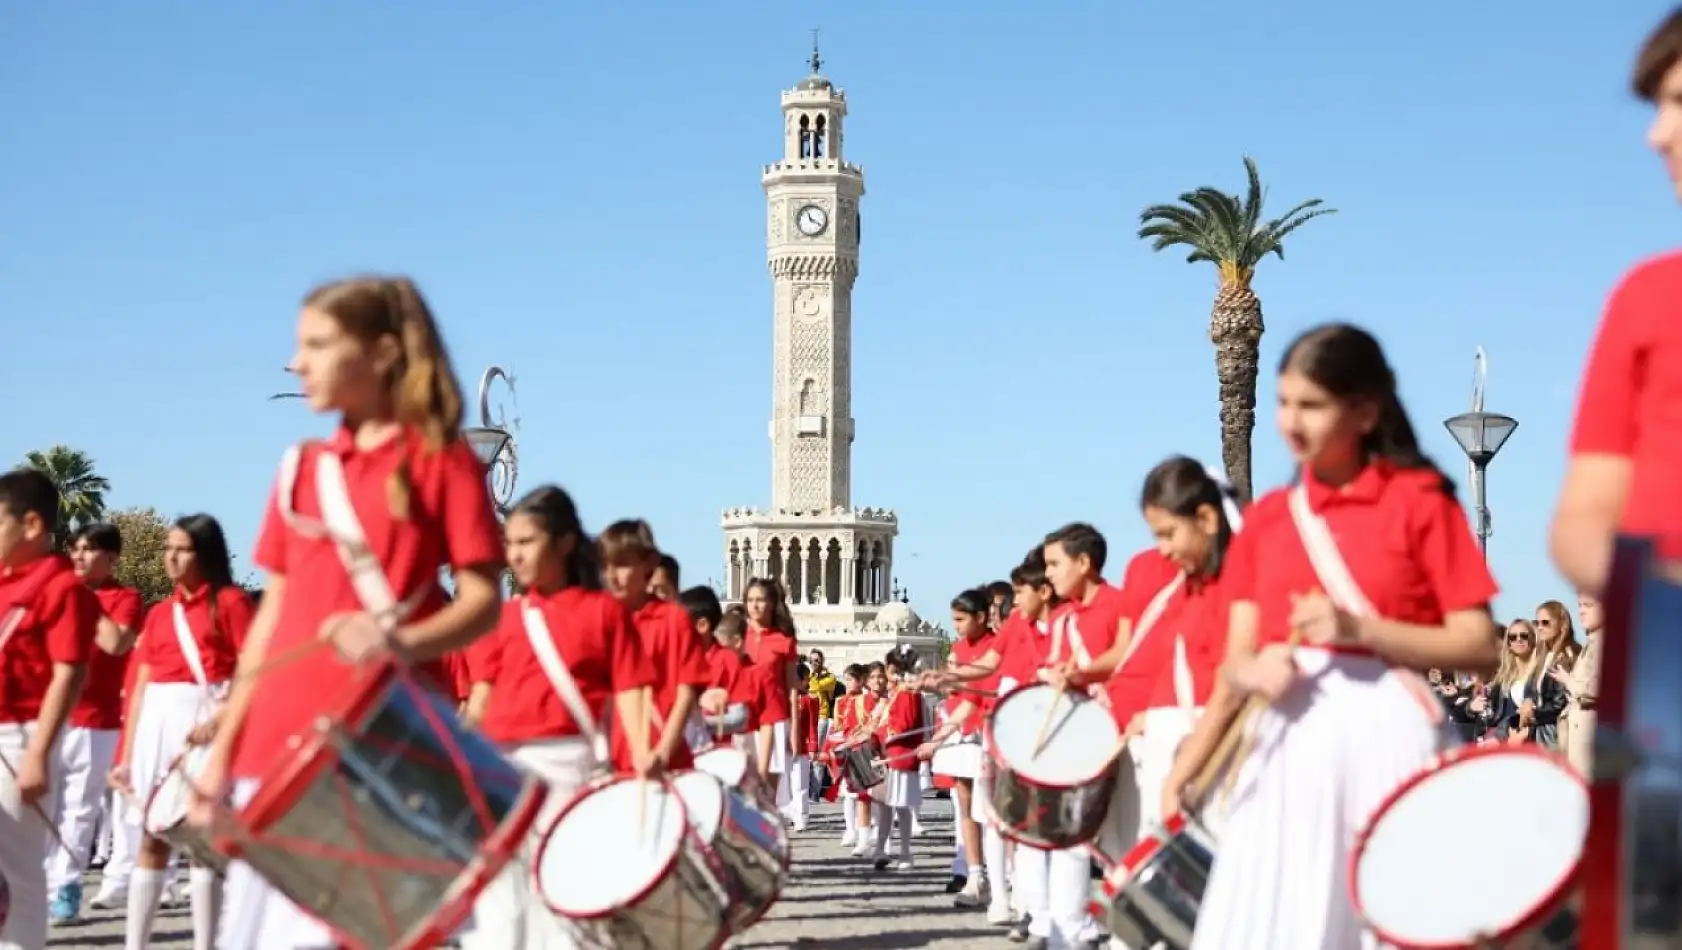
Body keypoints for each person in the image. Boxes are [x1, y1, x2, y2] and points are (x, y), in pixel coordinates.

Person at [190, 275, 508, 950]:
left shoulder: (442, 461)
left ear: (384, 353)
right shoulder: (300, 468)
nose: (296, 362)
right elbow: (272, 620)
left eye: (317, 344)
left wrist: (397, 635)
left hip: (379, 747)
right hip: (277, 748)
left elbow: (483, 602)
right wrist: (222, 755)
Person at [1162, 323, 1500, 950]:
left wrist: (1358, 630)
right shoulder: (1266, 521)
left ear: (1366, 411)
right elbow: (1236, 658)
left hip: (1390, 744)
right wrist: (1252, 674)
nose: (1291, 422)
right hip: (1290, 751)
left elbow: (1479, 644)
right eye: (1285, 402)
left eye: (1311, 405)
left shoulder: (1420, 501)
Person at [460, 486, 655, 950]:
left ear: (565, 543)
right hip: (498, 773)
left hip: (568, 769)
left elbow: (631, 696)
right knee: (498, 915)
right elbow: (480, 701)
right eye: (510, 544)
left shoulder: (603, 613)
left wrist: (644, 765)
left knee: (562, 908)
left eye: (527, 542)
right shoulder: (501, 618)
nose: (515, 555)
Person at [1551, 7, 1682, 592]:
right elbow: (1581, 520)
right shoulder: (1646, 296)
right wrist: (1658, 592)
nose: (1657, 135)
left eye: (1680, 102)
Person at [110, 514, 252, 950]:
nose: (171, 556)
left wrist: (218, 721)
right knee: (151, 838)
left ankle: (205, 944)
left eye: (182, 548)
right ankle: (136, 943)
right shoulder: (159, 614)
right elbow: (140, 687)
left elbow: (253, 671)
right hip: (158, 724)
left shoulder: (231, 604)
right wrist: (126, 755)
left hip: (206, 724)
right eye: (168, 547)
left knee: (200, 842)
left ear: (204, 554)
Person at [0, 468, 99, 950]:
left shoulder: (62, 587)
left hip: (20, 736)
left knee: (18, 871)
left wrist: (38, 752)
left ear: (32, 525)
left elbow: (70, 672)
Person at [47, 522, 142, 922]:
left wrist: (85, 599)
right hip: (51, 713)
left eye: (89, 549)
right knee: (42, 805)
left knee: (80, 808)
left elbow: (115, 642)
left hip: (96, 719)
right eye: (76, 548)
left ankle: (65, 883)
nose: (79, 556)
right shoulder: (58, 591)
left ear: (112, 558)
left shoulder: (126, 598)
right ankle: (33, 882)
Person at [598, 522, 708, 774]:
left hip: (663, 762)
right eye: (606, 566)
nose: (612, 576)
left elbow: (685, 693)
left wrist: (662, 752)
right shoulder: (602, 622)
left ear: (649, 562)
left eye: (622, 564)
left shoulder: (674, 620)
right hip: (614, 760)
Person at [916, 588, 998, 908]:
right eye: (954, 620)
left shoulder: (995, 646)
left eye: (961, 620)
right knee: (965, 805)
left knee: (990, 809)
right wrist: (937, 740)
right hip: (965, 731)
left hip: (990, 733)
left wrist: (945, 680)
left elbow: (984, 691)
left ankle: (1003, 879)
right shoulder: (960, 648)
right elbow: (965, 700)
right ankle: (974, 874)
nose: (957, 626)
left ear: (980, 617)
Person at [741, 577, 799, 799]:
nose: (755, 605)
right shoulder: (738, 637)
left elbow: (791, 688)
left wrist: (794, 730)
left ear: (772, 603)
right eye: (750, 600)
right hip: (744, 718)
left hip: (774, 718)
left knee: (767, 791)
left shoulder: (783, 641)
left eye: (761, 600)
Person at [869, 655, 922, 871]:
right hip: (886, 755)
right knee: (883, 805)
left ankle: (906, 851)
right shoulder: (894, 695)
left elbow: (905, 724)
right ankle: (880, 848)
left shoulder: (908, 692)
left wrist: (882, 730)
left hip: (899, 756)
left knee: (901, 805)